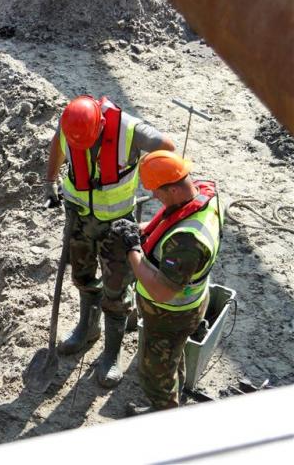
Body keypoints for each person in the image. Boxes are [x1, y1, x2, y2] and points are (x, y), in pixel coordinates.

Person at [44, 95, 174, 387]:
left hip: (117, 225)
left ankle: (111, 355)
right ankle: (87, 330)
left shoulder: (129, 130)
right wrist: (50, 180)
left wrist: (155, 183)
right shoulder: (72, 122)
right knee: (83, 277)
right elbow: (57, 142)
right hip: (78, 217)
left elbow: (167, 147)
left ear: (101, 125)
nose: (84, 148)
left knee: (116, 290)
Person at [110, 151, 223, 414]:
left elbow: (161, 291)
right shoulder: (205, 195)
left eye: (157, 192)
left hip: (170, 315)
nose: (155, 197)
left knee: (154, 374)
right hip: (189, 308)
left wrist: (132, 249)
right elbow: (174, 220)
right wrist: (144, 230)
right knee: (172, 359)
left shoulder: (187, 242)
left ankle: (163, 413)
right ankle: (176, 396)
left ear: (172, 189)